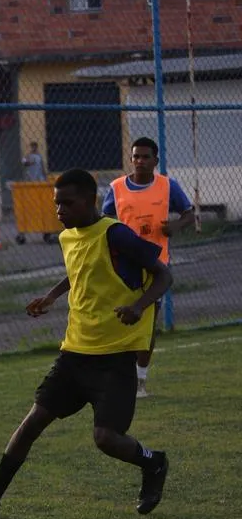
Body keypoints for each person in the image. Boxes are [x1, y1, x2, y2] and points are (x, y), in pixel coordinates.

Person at [0, 169, 172, 519]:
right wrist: (53, 296)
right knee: (31, 424)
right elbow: (80, 269)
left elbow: (164, 275)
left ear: (89, 201)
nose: (60, 210)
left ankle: (153, 462)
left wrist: (138, 307)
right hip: (74, 354)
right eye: (56, 203)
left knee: (106, 438)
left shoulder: (115, 233)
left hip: (114, 357)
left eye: (67, 203)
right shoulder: (68, 236)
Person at [102, 137, 195, 398]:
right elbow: (104, 220)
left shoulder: (167, 186)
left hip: (156, 265)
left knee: (147, 323)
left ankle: (140, 380)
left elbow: (189, 214)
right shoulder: (117, 188)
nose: (140, 161)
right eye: (135, 157)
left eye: (145, 157)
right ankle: (116, 376)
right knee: (117, 319)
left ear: (155, 160)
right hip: (122, 264)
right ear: (130, 160)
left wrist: (175, 226)